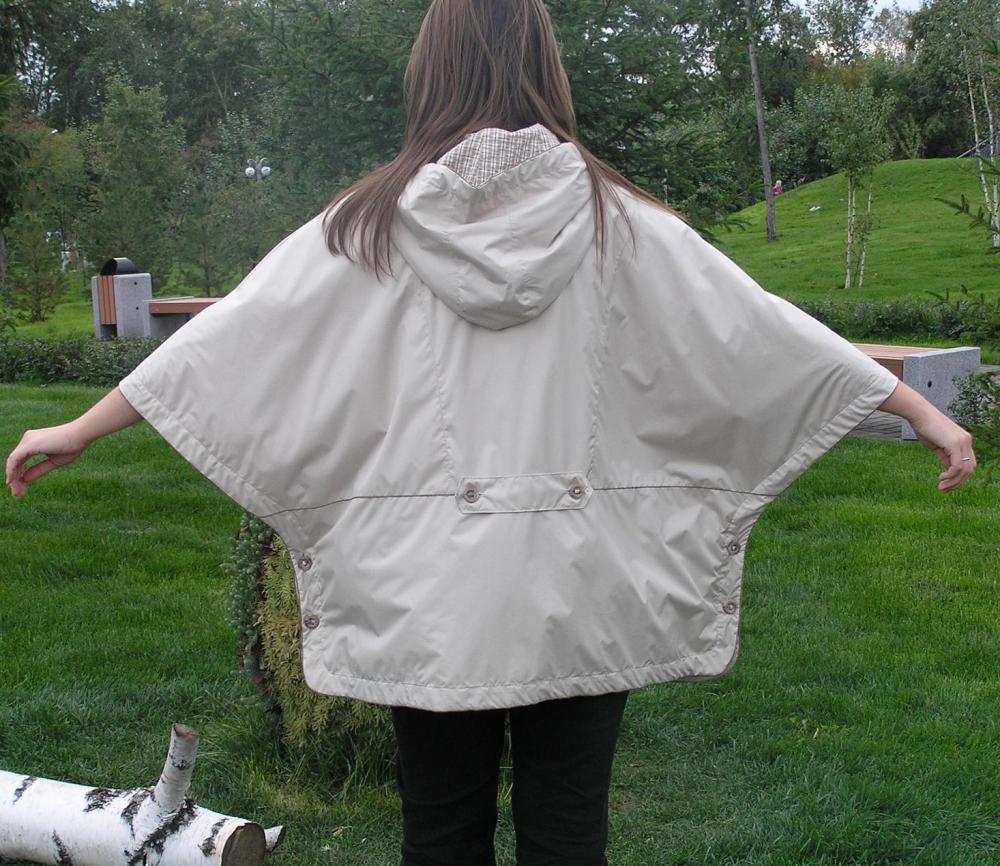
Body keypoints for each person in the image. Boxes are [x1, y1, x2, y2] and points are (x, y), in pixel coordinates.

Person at [4, 1, 977, 864]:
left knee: (439, 834)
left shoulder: (364, 227)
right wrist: (917, 406)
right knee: (569, 835)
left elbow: (235, 340)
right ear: (547, 69)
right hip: (585, 585)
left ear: (429, 71)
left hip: (428, 595)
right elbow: (756, 334)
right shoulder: (622, 223)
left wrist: (86, 425)